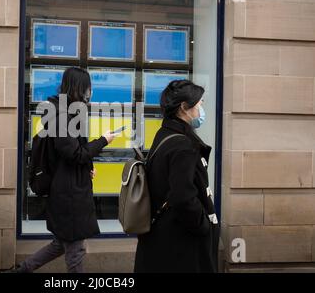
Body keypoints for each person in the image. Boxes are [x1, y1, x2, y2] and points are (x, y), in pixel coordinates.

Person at [14, 67, 117, 273]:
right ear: (80, 88)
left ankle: (22, 270)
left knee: (61, 244)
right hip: (69, 194)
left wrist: (87, 168)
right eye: (88, 87)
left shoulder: (67, 113)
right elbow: (75, 153)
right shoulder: (62, 117)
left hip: (70, 186)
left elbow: (71, 154)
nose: (91, 92)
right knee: (75, 250)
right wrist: (103, 141)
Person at [134, 80, 219, 273]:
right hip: (179, 243)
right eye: (199, 104)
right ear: (184, 107)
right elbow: (183, 196)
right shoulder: (183, 145)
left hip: (161, 239)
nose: (201, 109)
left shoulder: (164, 133)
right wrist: (203, 225)